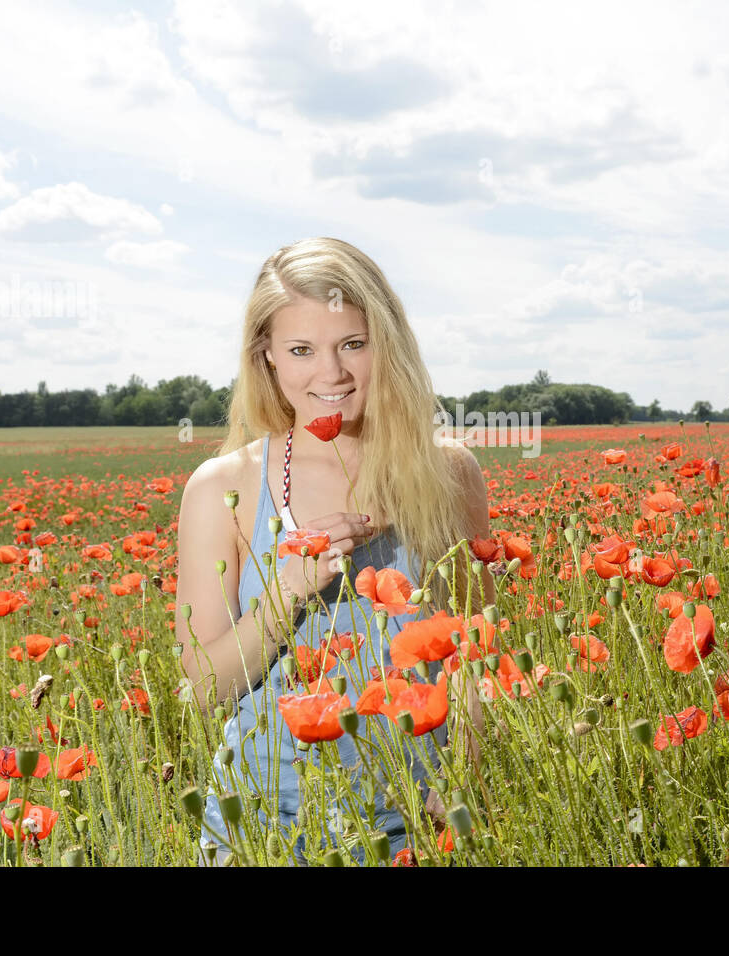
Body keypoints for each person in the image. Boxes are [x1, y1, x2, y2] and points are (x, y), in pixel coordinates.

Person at [176, 237, 494, 867]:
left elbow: (477, 654)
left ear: (388, 343)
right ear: (265, 357)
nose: (332, 373)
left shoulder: (449, 473)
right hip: (264, 819)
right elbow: (206, 688)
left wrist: (466, 783)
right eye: (301, 350)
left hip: (414, 816)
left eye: (353, 343)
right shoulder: (222, 488)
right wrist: (288, 590)